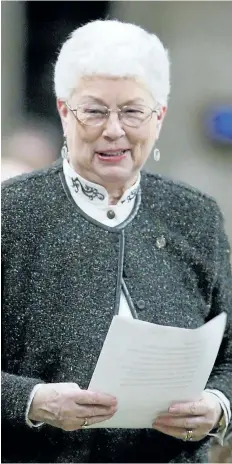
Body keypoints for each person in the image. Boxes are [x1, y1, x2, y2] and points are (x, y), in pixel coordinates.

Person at [1, 19, 232, 464]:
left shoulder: (196, 215)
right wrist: (31, 401)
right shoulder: (11, 212)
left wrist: (218, 406)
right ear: (64, 111)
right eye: (93, 110)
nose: (113, 130)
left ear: (159, 118)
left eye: (132, 111)